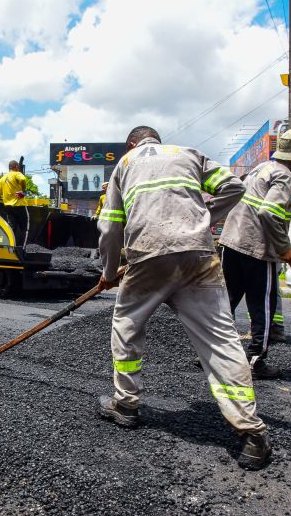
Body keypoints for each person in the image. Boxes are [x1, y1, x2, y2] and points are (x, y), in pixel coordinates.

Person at [96, 125, 272, 471]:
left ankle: (126, 404)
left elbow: (110, 226)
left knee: (126, 326)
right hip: (199, 255)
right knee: (221, 340)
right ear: (157, 141)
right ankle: (251, 432)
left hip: (148, 255)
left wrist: (107, 271)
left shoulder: (126, 164)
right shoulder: (188, 154)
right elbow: (234, 186)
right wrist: (207, 218)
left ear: (131, 144)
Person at [219, 128, 291, 379]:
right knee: (263, 306)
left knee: (226, 301)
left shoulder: (260, 169)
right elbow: (269, 213)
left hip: (231, 242)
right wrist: (285, 249)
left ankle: (213, 355)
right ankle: (255, 361)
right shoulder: (284, 175)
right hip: (256, 248)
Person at [0, 160, 27, 246]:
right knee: (24, 228)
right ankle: (21, 248)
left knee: (11, 228)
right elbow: (23, 179)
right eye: (18, 167)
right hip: (19, 206)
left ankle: (11, 246)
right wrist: (23, 190)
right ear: (16, 167)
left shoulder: (2, 179)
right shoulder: (17, 174)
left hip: (8, 207)